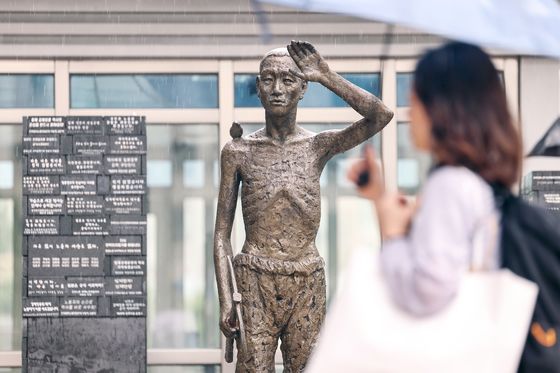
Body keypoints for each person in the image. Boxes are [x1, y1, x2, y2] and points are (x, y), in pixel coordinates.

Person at [214, 40, 393, 372]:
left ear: (303, 88)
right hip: (254, 278)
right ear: (258, 87)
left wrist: (326, 75)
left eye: (288, 80)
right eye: (268, 79)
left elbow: (380, 115)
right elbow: (222, 234)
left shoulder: (316, 146)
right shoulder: (238, 152)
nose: (277, 89)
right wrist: (226, 298)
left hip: (306, 278)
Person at [348, 41, 522, 316]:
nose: (409, 113)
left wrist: (393, 235)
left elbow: (428, 291)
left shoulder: (449, 185)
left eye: (414, 100)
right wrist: (380, 198)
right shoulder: (481, 182)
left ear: (440, 110)